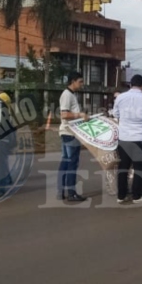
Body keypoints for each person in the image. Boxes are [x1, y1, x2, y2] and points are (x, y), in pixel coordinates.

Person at [112, 74, 142, 204]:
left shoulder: (120, 97)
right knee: (138, 167)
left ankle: (121, 195)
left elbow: (115, 114)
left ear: (130, 85)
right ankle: (136, 196)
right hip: (140, 138)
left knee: (123, 167)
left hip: (124, 137)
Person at [57, 71, 88, 202]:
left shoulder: (71, 95)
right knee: (71, 163)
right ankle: (71, 192)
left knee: (65, 162)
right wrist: (80, 115)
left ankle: (61, 191)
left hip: (69, 132)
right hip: (69, 133)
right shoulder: (67, 95)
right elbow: (64, 114)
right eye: (80, 81)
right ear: (73, 81)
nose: (82, 84)